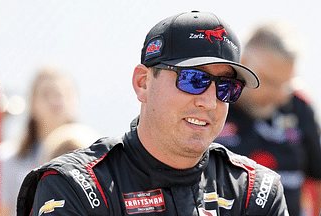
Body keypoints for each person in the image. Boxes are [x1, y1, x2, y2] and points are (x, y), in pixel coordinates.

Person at [17, 11, 289, 215]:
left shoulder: (256, 191)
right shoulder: (74, 187)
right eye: (193, 79)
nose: (209, 101)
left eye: (226, 87)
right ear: (143, 83)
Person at [214, 18, 321, 216]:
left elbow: (318, 177)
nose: (279, 94)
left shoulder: (299, 105)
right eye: (271, 82)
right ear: (243, 64)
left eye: (286, 84)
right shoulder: (211, 101)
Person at [0, 64, 80, 215]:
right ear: (32, 103)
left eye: (63, 94)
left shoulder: (97, 158)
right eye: (47, 93)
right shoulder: (7, 159)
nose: (56, 100)